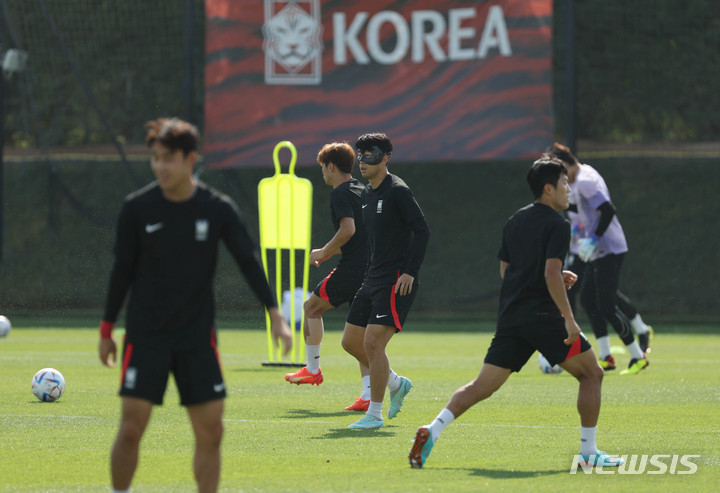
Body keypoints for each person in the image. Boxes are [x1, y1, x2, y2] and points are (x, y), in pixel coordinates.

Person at [98, 117, 292, 493]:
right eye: (155, 158)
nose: (160, 167)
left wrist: (275, 314)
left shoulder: (217, 208)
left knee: (211, 432)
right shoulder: (137, 208)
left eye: (168, 158)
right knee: (131, 428)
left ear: (190, 159)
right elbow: (121, 272)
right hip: (146, 334)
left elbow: (248, 261)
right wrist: (107, 329)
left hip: (196, 337)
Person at [409, 157, 624, 469]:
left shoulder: (515, 220)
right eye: (564, 184)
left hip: (512, 317)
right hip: (544, 318)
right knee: (592, 373)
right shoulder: (558, 225)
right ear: (548, 189)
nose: (568, 190)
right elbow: (551, 274)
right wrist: (569, 318)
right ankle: (589, 454)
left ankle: (433, 428)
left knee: (481, 386)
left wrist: (545, 280)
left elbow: (507, 270)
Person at [341, 132, 430, 429]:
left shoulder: (398, 191)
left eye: (371, 154)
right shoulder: (367, 193)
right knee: (350, 342)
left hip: (395, 280)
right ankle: (395, 383)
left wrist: (410, 270)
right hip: (373, 277)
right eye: (360, 154)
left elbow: (422, 230)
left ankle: (374, 415)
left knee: (373, 344)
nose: (363, 161)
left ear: (386, 158)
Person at [284, 142, 372, 412]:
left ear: (330, 166)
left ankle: (313, 369)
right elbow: (362, 235)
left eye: (323, 167)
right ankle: (368, 396)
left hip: (353, 270)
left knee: (311, 307)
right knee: (362, 339)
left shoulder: (339, 194)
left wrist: (324, 249)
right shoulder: (363, 189)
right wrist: (331, 253)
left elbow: (349, 229)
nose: (322, 172)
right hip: (372, 269)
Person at [548, 143, 651, 374]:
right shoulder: (585, 174)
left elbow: (607, 210)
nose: (561, 179)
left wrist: (593, 238)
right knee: (588, 301)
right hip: (599, 250)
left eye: (559, 172)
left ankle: (637, 355)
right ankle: (607, 357)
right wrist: (581, 235)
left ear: (564, 164)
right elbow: (588, 214)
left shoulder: (584, 181)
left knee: (605, 304)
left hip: (608, 249)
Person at [565, 211, 654, 359]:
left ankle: (634, 344)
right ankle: (609, 352)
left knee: (600, 297)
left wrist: (577, 228)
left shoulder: (580, 190)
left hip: (591, 250)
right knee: (592, 297)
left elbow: (602, 212)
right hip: (579, 251)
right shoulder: (567, 194)